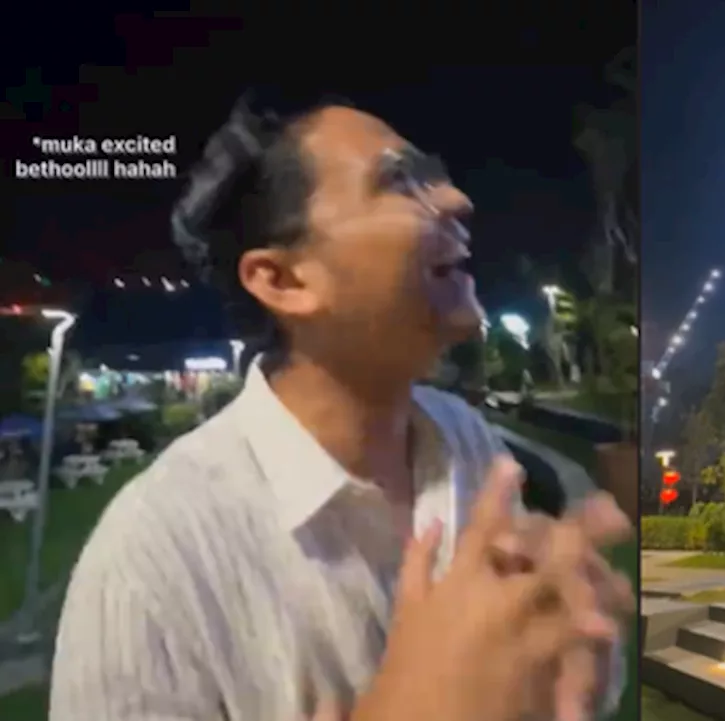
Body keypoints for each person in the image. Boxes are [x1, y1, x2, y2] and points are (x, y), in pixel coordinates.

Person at [49, 92, 632, 721]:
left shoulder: (465, 440)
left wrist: (568, 649)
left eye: (432, 175)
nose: (459, 199)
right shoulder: (153, 564)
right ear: (285, 280)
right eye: (398, 181)